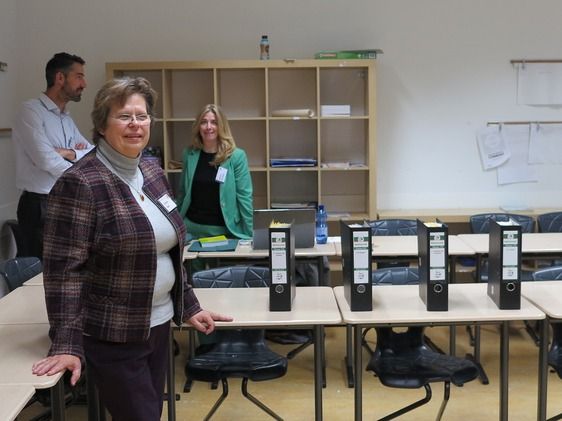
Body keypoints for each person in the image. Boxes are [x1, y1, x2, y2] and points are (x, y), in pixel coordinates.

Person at [31, 77, 231, 421]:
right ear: (101, 125)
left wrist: (188, 306)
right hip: (114, 333)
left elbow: (168, 250)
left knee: (150, 412)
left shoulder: (152, 171)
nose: (135, 124)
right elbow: (64, 272)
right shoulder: (80, 182)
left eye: (142, 116)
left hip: (160, 325)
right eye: (124, 116)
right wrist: (66, 343)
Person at [12, 52, 93, 259]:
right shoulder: (30, 111)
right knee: (40, 270)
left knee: (66, 265)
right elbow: (46, 160)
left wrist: (69, 152)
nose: (84, 84)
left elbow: (92, 153)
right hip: (40, 205)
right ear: (60, 78)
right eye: (79, 77)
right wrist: (81, 173)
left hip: (67, 200)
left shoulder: (66, 118)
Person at [176, 103, 253, 246]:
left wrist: (249, 234)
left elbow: (244, 197)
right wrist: (175, 225)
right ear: (198, 126)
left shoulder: (236, 156)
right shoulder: (189, 154)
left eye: (214, 122)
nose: (208, 127)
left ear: (221, 126)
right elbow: (182, 193)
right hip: (191, 231)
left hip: (225, 232)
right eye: (204, 122)